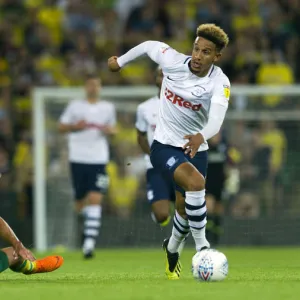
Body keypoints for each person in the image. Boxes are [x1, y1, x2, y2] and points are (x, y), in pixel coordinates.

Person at [108, 23, 230, 280]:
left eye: (206, 52)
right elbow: (148, 46)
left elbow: (216, 120)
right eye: (196, 49)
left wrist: (201, 136)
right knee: (196, 184)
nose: (197, 56)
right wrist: (120, 61)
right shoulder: (173, 61)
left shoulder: (220, 82)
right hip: (164, 146)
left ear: (216, 56)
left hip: (197, 148)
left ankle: (172, 247)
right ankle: (203, 249)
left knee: (184, 209)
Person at [59, 74, 117, 259]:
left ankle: (89, 244)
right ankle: (88, 227)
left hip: (99, 159)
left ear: (100, 88)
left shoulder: (108, 108)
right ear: (85, 87)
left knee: (95, 197)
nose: (93, 88)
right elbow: (61, 127)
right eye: (90, 84)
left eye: (96, 85)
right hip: (78, 158)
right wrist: (75, 126)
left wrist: (110, 131)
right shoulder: (75, 106)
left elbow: (114, 130)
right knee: (79, 202)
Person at [135, 67, 175, 227]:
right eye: (160, 76)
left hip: (180, 164)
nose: (164, 79)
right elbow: (140, 136)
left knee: (187, 210)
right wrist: (152, 154)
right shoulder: (144, 108)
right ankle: (162, 207)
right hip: (155, 166)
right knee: (161, 215)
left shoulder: (184, 105)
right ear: (156, 80)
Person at [205, 132, 227, 246]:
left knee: (218, 210)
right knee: (209, 208)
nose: (217, 137)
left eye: (218, 135)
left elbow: (229, 164)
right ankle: (207, 237)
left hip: (220, 184)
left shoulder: (223, 148)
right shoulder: (204, 148)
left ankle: (216, 238)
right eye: (215, 135)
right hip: (208, 184)